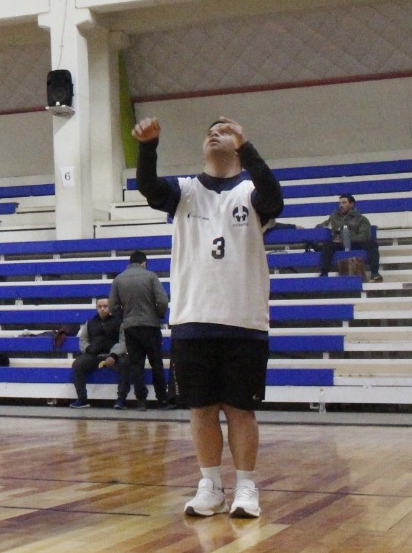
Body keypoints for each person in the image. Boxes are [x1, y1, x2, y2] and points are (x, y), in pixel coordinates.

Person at [133, 116, 282, 520]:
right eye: (209, 131)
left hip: (244, 319)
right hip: (192, 319)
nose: (215, 133)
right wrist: (148, 147)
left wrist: (247, 147)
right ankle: (210, 485)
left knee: (240, 409)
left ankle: (246, 487)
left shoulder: (252, 191)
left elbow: (275, 197)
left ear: (239, 144)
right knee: (200, 409)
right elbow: (148, 187)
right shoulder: (185, 191)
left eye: (225, 130)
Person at [109, 250, 171, 408]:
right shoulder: (151, 276)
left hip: (130, 327)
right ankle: (162, 399)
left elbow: (113, 306)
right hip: (150, 326)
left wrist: (125, 317)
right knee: (156, 362)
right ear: (144, 262)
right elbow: (163, 301)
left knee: (136, 364)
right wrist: (158, 315)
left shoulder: (118, 279)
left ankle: (141, 400)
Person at [67, 298, 125, 408]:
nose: (102, 309)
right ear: (96, 308)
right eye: (99, 306)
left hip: (114, 356)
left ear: (111, 307)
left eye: (105, 306)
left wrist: (113, 355)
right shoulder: (90, 323)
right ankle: (82, 399)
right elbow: (83, 340)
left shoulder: (120, 322)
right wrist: (88, 349)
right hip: (94, 355)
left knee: (125, 364)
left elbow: (124, 341)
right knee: (77, 364)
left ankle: (121, 400)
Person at [317, 194, 383, 282]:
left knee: (372, 243)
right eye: (340, 203)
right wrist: (322, 228)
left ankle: (375, 273)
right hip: (339, 243)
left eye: (344, 203)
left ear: (352, 204)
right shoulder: (333, 217)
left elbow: (364, 236)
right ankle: (324, 273)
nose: (341, 205)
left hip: (355, 243)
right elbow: (322, 226)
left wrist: (347, 239)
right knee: (327, 245)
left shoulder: (362, 219)